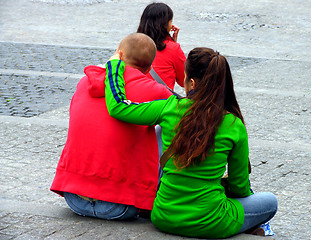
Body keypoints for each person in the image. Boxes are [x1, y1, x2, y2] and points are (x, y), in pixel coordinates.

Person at [104, 47, 278, 238]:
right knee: (270, 202)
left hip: (164, 216)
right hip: (212, 222)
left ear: (192, 83)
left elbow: (119, 107)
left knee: (161, 130)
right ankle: (247, 227)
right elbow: (239, 186)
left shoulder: (170, 108)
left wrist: (114, 66)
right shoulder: (233, 124)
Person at [50, 33, 172, 220]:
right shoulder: (158, 92)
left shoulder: (85, 82)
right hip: (122, 205)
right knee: (168, 125)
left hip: (73, 197)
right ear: (149, 67)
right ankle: (157, 195)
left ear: (119, 55)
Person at [137, 2, 186, 90]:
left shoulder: (131, 45)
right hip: (162, 101)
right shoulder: (173, 49)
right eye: (171, 21)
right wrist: (173, 43)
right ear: (165, 25)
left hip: (135, 101)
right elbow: (184, 81)